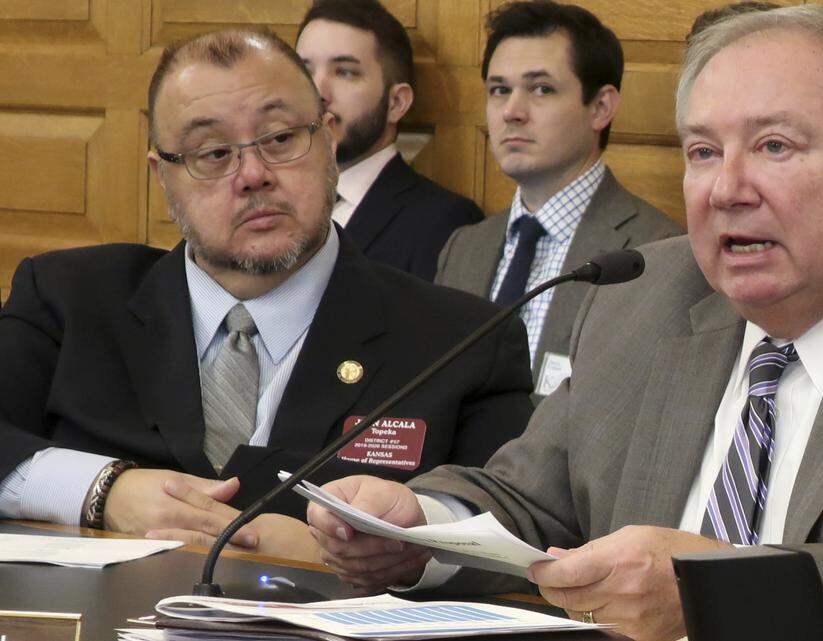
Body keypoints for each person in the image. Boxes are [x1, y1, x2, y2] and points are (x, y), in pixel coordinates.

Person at [309, 6, 823, 641]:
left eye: (773, 146)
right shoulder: (644, 295)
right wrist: (420, 526)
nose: (728, 189)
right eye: (703, 152)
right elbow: (529, 498)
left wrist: (720, 588)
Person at [0, 28, 533, 563]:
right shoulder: (69, 299)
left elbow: (512, 531)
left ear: (329, 142)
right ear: (164, 177)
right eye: (213, 153)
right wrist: (103, 490)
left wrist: (358, 558)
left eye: (279, 139)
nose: (253, 175)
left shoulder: (463, 343)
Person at [433, 1, 681, 399]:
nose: (511, 111)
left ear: (600, 107)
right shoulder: (463, 247)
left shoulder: (655, 250)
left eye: (541, 89)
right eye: (499, 90)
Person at [296, 0, 483, 281]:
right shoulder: (265, 198)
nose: (317, 92)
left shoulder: (445, 222)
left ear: (396, 103)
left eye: (345, 72)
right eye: (304, 71)